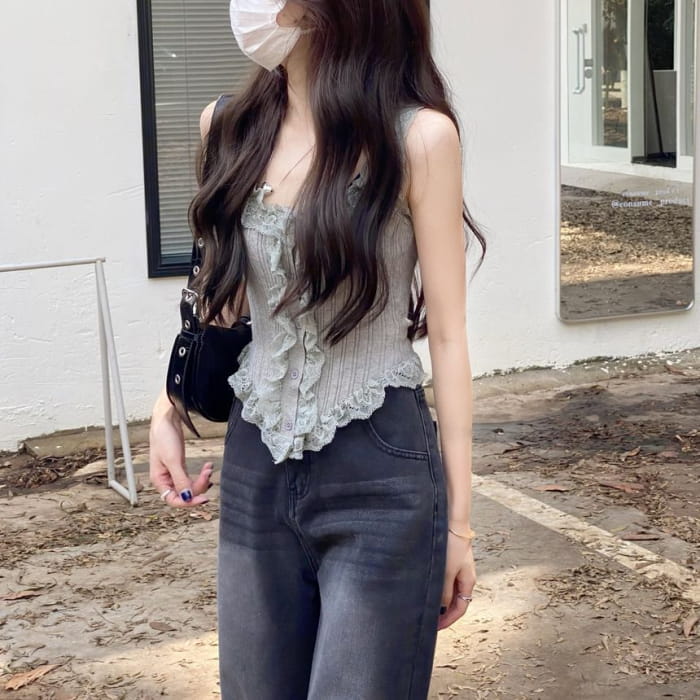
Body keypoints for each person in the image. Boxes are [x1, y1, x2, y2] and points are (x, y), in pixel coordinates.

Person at [149, 1, 486, 698]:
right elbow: (222, 301)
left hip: (381, 469)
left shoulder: (419, 138)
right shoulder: (227, 127)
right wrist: (170, 405)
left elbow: (450, 338)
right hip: (255, 465)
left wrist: (459, 527)